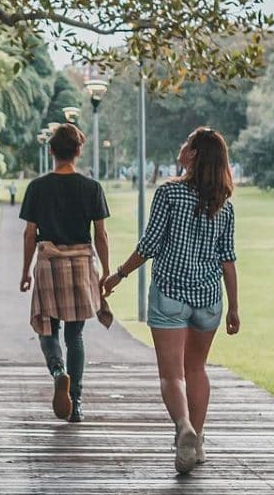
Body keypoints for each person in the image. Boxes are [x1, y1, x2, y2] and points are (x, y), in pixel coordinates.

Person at [103, 127, 241, 475]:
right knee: (197, 369)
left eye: (187, 142)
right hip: (209, 298)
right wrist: (235, 307)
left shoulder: (169, 194)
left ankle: (183, 428)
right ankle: (199, 443)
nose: (182, 145)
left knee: (171, 375)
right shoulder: (224, 205)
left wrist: (118, 274)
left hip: (170, 295)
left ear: (192, 154)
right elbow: (228, 259)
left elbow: (149, 245)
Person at [18, 123, 111, 424]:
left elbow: (30, 234)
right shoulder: (92, 188)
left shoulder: (37, 187)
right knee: (76, 334)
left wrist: (25, 271)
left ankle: (58, 372)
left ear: (51, 151)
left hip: (49, 264)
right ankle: (77, 402)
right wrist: (106, 271)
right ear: (79, 151)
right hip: (80, 264)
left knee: (47, 328)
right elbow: (101, 235)